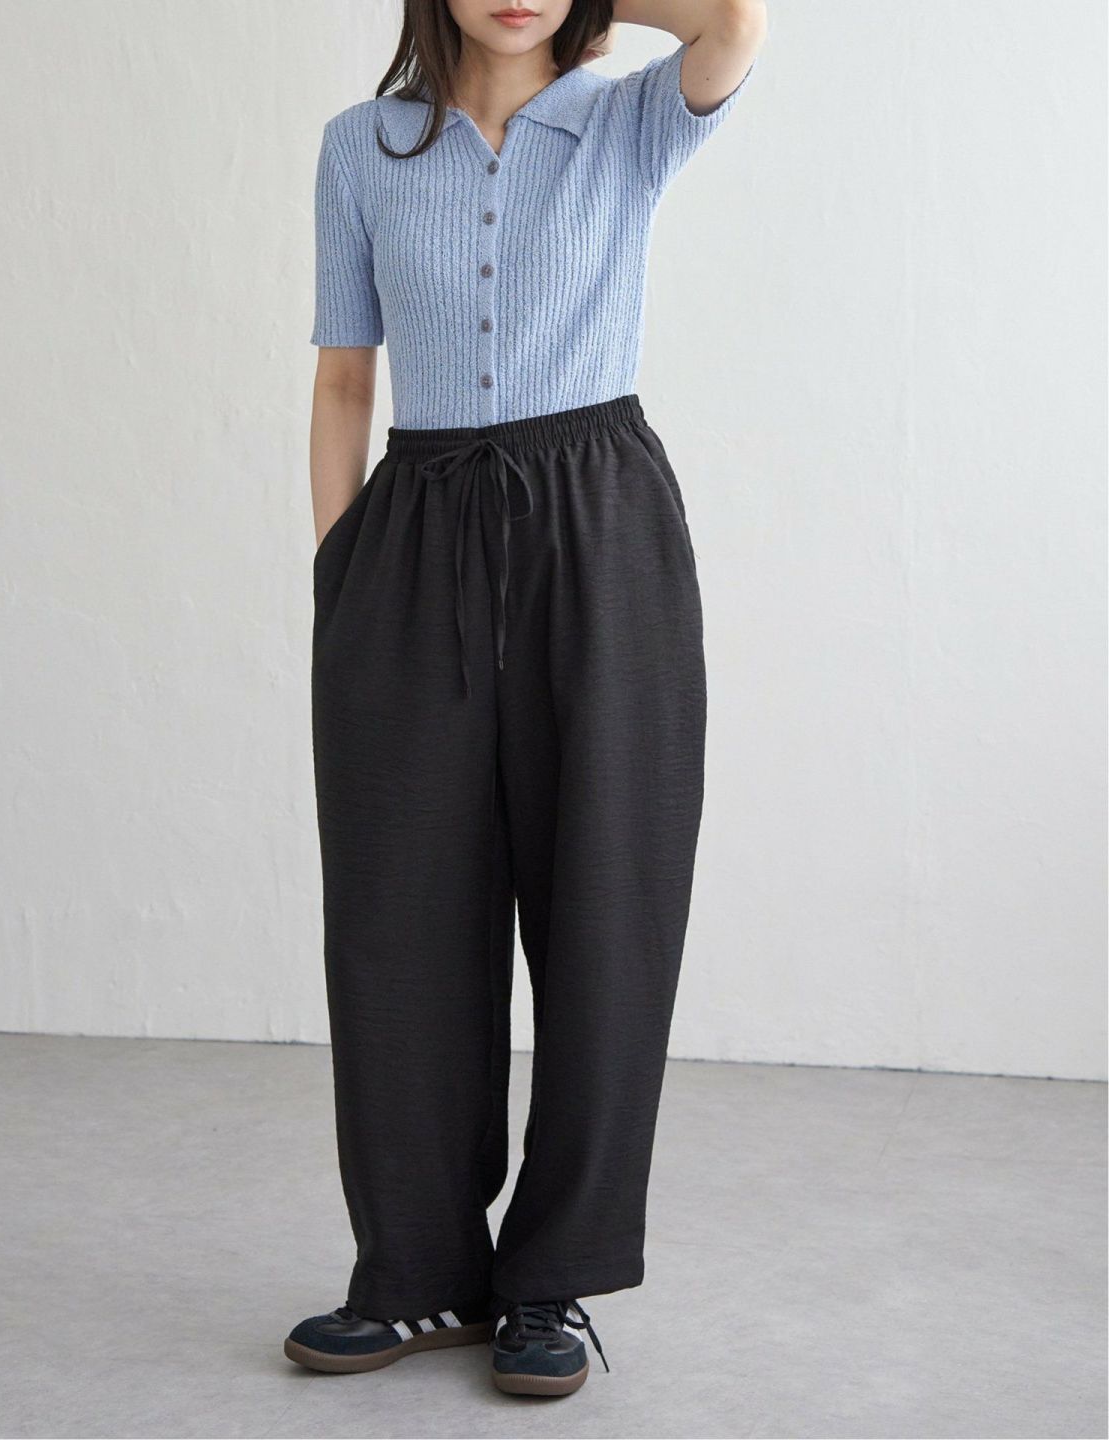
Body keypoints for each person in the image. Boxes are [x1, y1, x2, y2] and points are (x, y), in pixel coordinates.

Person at [284, 0, 766, 1399]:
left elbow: (736, 19)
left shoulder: (630, 122)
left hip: (598, 522)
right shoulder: (361, 148)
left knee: (606, 902)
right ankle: (418, 1274)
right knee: (399, 914)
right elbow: (342, 381)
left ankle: (552, 1279)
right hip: (413, 527)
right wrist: (341, 576)